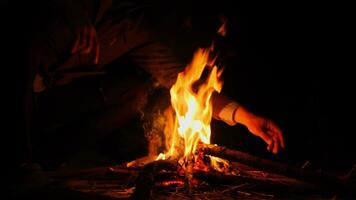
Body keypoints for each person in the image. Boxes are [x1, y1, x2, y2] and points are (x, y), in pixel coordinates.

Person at [15, 0, 284, 169]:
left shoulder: (140, 26)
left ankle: (49, 161)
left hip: (50, 98)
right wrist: (74, 15)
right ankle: (20, 163)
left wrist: (244, 116)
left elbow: (185, 84)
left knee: (136, 93)